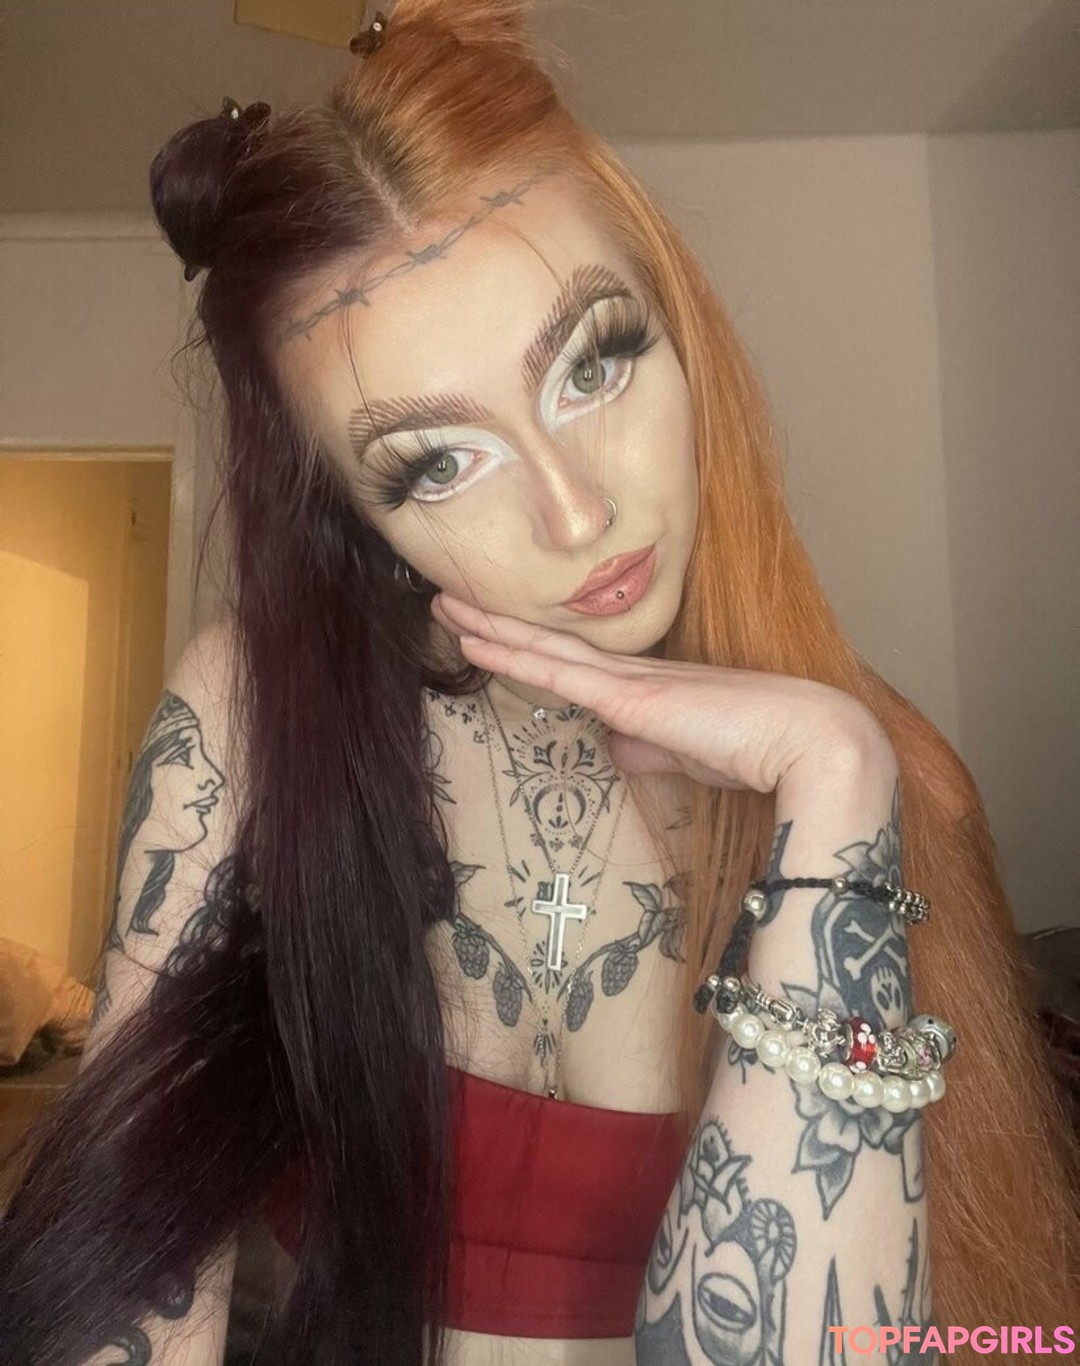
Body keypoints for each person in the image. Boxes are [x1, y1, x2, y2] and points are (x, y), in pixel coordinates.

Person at [1, 2, 1077, 1363]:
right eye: (436, 462)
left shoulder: (887, 781)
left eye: (594, 363)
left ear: (682, 326)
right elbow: (123, 1270)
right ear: (351, 517)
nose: (575, 515)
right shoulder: (249, 722)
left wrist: (836, 780)